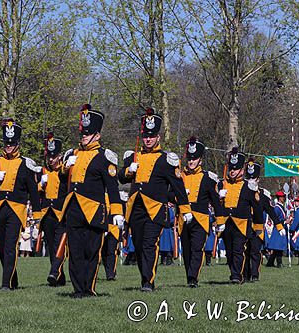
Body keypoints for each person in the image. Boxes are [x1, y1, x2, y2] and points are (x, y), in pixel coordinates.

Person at [118, 108, 190, 292]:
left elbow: (178, 187)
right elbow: (121, 177)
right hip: (135, 208)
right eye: (145, 136)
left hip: (156, 209)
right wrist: (128, 171)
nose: (148, 139)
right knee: (140, 246)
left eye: (151, 136)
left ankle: (148, 282)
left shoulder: (167, 159)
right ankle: (145, 277)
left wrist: (186, 209)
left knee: (150, 244)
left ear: (158, 137)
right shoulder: (133, 157)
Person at [60, 104, 124, 298]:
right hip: (73, 208)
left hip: (94, 210)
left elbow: (112, 188)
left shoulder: (105, 157)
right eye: (83, 134)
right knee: (75, 252)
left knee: (92, 251)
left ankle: (89, 288)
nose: (84, 137)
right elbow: (63, 183)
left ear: (97, 135)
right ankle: (78, 289)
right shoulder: (72, 155)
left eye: (88, 134)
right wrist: (64, 168)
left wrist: (117, 212)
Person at [0, 119, 42, 291]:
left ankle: (5, 284)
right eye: (6, 144)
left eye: (12, 144)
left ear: (18, 144)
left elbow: (34, 193)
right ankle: (12, 278)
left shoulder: (26, 164)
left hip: (17, 210)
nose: (8, 147)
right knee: (2, 248)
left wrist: (37, 218)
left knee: (10, 246)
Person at [180, 137, 224, 287]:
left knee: (197, 249)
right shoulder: (180, 176)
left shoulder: (208, 178)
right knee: (186, 251)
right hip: (183, 219)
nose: (191, 161)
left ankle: (193, 278)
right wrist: (177, 195)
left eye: (194, 158)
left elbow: (215, 201)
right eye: (189, 159)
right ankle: (188, 276)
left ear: (200, 160)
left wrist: (220, 220)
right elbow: (167, 195)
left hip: (200, 219)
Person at [217, 147, 263, 284]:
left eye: (235, 169)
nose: (232, 171)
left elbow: (257, 207)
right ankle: (234, 272)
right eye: (231, 168)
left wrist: (258, 225)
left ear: (242, 171)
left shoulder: (249, 187)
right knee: (230, 252)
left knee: (238, 250)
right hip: (226, 222)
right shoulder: (221, 184)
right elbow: (216, 205)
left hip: (242, 224)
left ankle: (237, 276)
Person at [242, 159, 284, 282]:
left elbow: (271, 211)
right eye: (249, 179)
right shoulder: (241, 192)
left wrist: (279, 225)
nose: (251, 181)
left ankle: (255, 275)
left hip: (258, 228)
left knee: (255, 252)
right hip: (244, 226)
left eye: (253, 179)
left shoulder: (263, 195)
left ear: (258, 180)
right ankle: (244, 274)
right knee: (245, 252)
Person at [37, 133, 68, 286]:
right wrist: (40, 185)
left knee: (59, 244)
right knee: (50, 245)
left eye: (54, 156)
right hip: (47, 213)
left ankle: (54, 272)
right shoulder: (43, 172)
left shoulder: (65, 172)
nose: (51, 159)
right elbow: (36, 192)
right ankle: (59, 277)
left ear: (60, 156)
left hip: (61, 213)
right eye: (49, 156)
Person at [265, 191, 289, 268]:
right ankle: (279, 263)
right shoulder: (277, 208)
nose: (284, 198)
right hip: (278, 228)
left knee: (277, 248)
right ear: (279, 198)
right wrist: (285, 221)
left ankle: (270, 262)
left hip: (282, 228)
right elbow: (275, 219)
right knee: (278, 247)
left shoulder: (281, 207)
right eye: (282, 197)